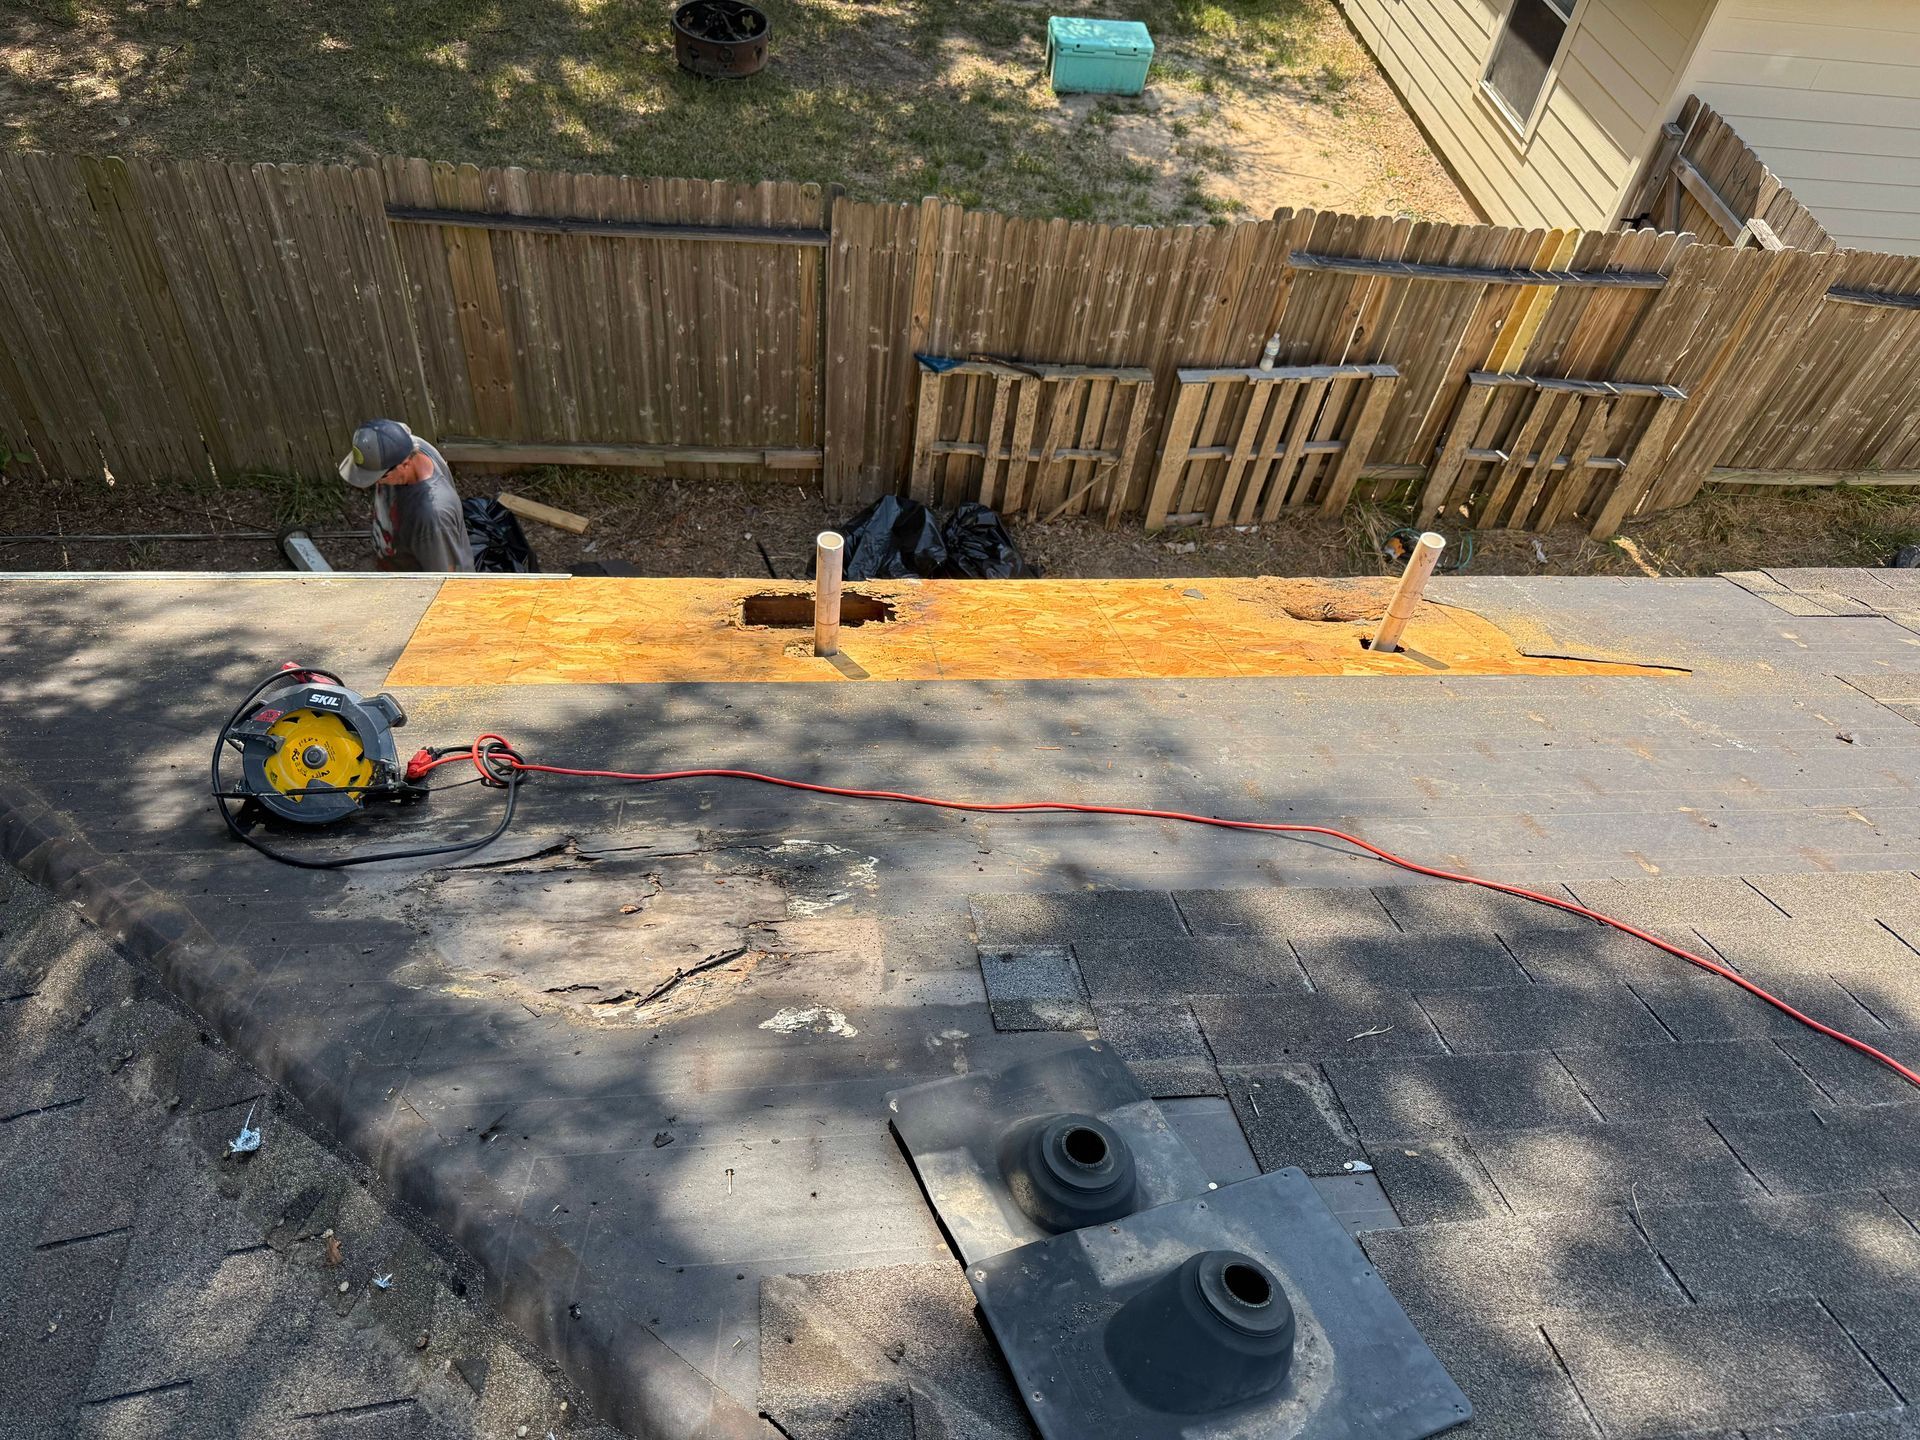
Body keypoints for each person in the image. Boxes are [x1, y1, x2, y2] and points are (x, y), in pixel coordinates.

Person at [337, 419, 473, 572]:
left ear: (405, 464)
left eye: (379, 477)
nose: (375, 483)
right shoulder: (403, 445)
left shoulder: (432, 517)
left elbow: (446, 579)